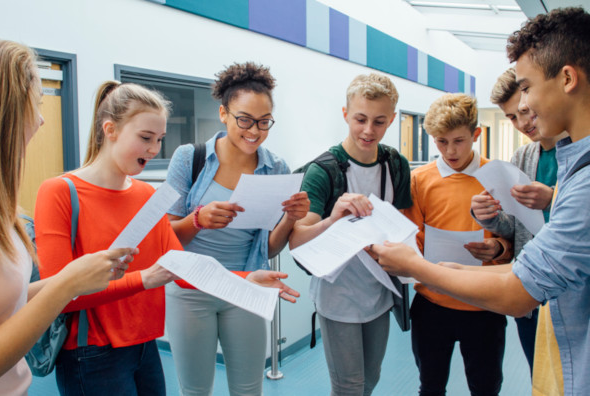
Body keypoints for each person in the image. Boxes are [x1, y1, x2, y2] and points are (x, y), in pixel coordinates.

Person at [371, 7, 590, 396]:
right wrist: (452, 269)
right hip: (441, 305)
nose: (525, 110)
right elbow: (529, 262)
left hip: (503, 315)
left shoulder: (578, 181)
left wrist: (422, 266)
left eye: (526, 88)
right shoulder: (573, 166)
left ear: (567, 78)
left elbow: (520, 290)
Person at [35, 78, 300, 396]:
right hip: (90, 352)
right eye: (146, 137)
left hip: (144, 347)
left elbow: (184, 267)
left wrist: (247, 278)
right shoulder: (60, 192)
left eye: (159, 139)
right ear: (110, 130)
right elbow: (55, 295)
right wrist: (145, 279)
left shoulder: (148, 195)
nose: (154, 150)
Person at [0, 38, 135, 395]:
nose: (41, 120)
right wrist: (67, 284)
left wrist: (77, 278)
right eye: (36, 104)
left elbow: (5, 300)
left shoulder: (3, 211)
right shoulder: (60, 190)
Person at [165, 61, 307, 396]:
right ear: (224, 113)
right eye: (244, 119)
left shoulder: (276, 167)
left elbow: (268, 249)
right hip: (190, 291)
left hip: (246, 287)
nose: (254, 131)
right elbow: (165, 237)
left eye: (264, 122)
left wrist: (290, 217)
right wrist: (197, 219)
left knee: (248, 389)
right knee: (196, 390)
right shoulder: (189, 158)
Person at [289, 73, 412, 396]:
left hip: (379, 291)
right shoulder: (323, 171)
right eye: (360, 119)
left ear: (392, 120)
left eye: (379, 121)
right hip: (338, 295)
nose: (368, 130)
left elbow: (404, 224)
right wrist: (333, 219)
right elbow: (298, 241)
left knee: (370, 381)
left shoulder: (395, 165)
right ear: (345, 114)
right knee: (348, 387)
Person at [401, 93, 512, 396]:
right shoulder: (419, 180)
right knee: (431, 387)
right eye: (441, 141)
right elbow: (411, 241)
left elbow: (518, 237)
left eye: (459, 141)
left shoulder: (500, 176)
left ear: (476, 134)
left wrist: (499, 248)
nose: (450, 151)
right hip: (433, 305)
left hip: (485, 303)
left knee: (486, 388)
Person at [470, 67, 566, 373]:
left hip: (569, 292)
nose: (522, 123)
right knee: (538, 377)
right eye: (511, 117)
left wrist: (552, 198)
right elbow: (516, 228)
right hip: (530, 293)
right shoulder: (523, 157)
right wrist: (489, 217)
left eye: (525, 111)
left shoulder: (578, 151)